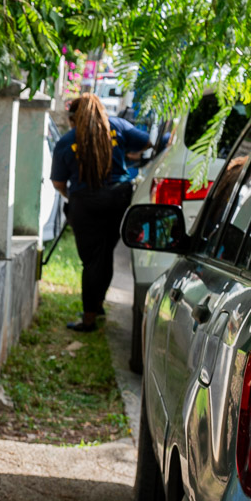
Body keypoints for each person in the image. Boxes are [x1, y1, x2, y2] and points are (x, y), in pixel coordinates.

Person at [50, 92, 165, 332]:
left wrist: (73, 197)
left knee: (92, 260)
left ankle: (89, 318)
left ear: (74, 118)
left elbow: (58, 183)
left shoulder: (67, 141)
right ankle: (97, 305)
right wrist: (128, 154)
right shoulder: (117, 126)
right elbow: (147, 142)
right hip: (117, 199)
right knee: (104, 255)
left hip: (85, 203)